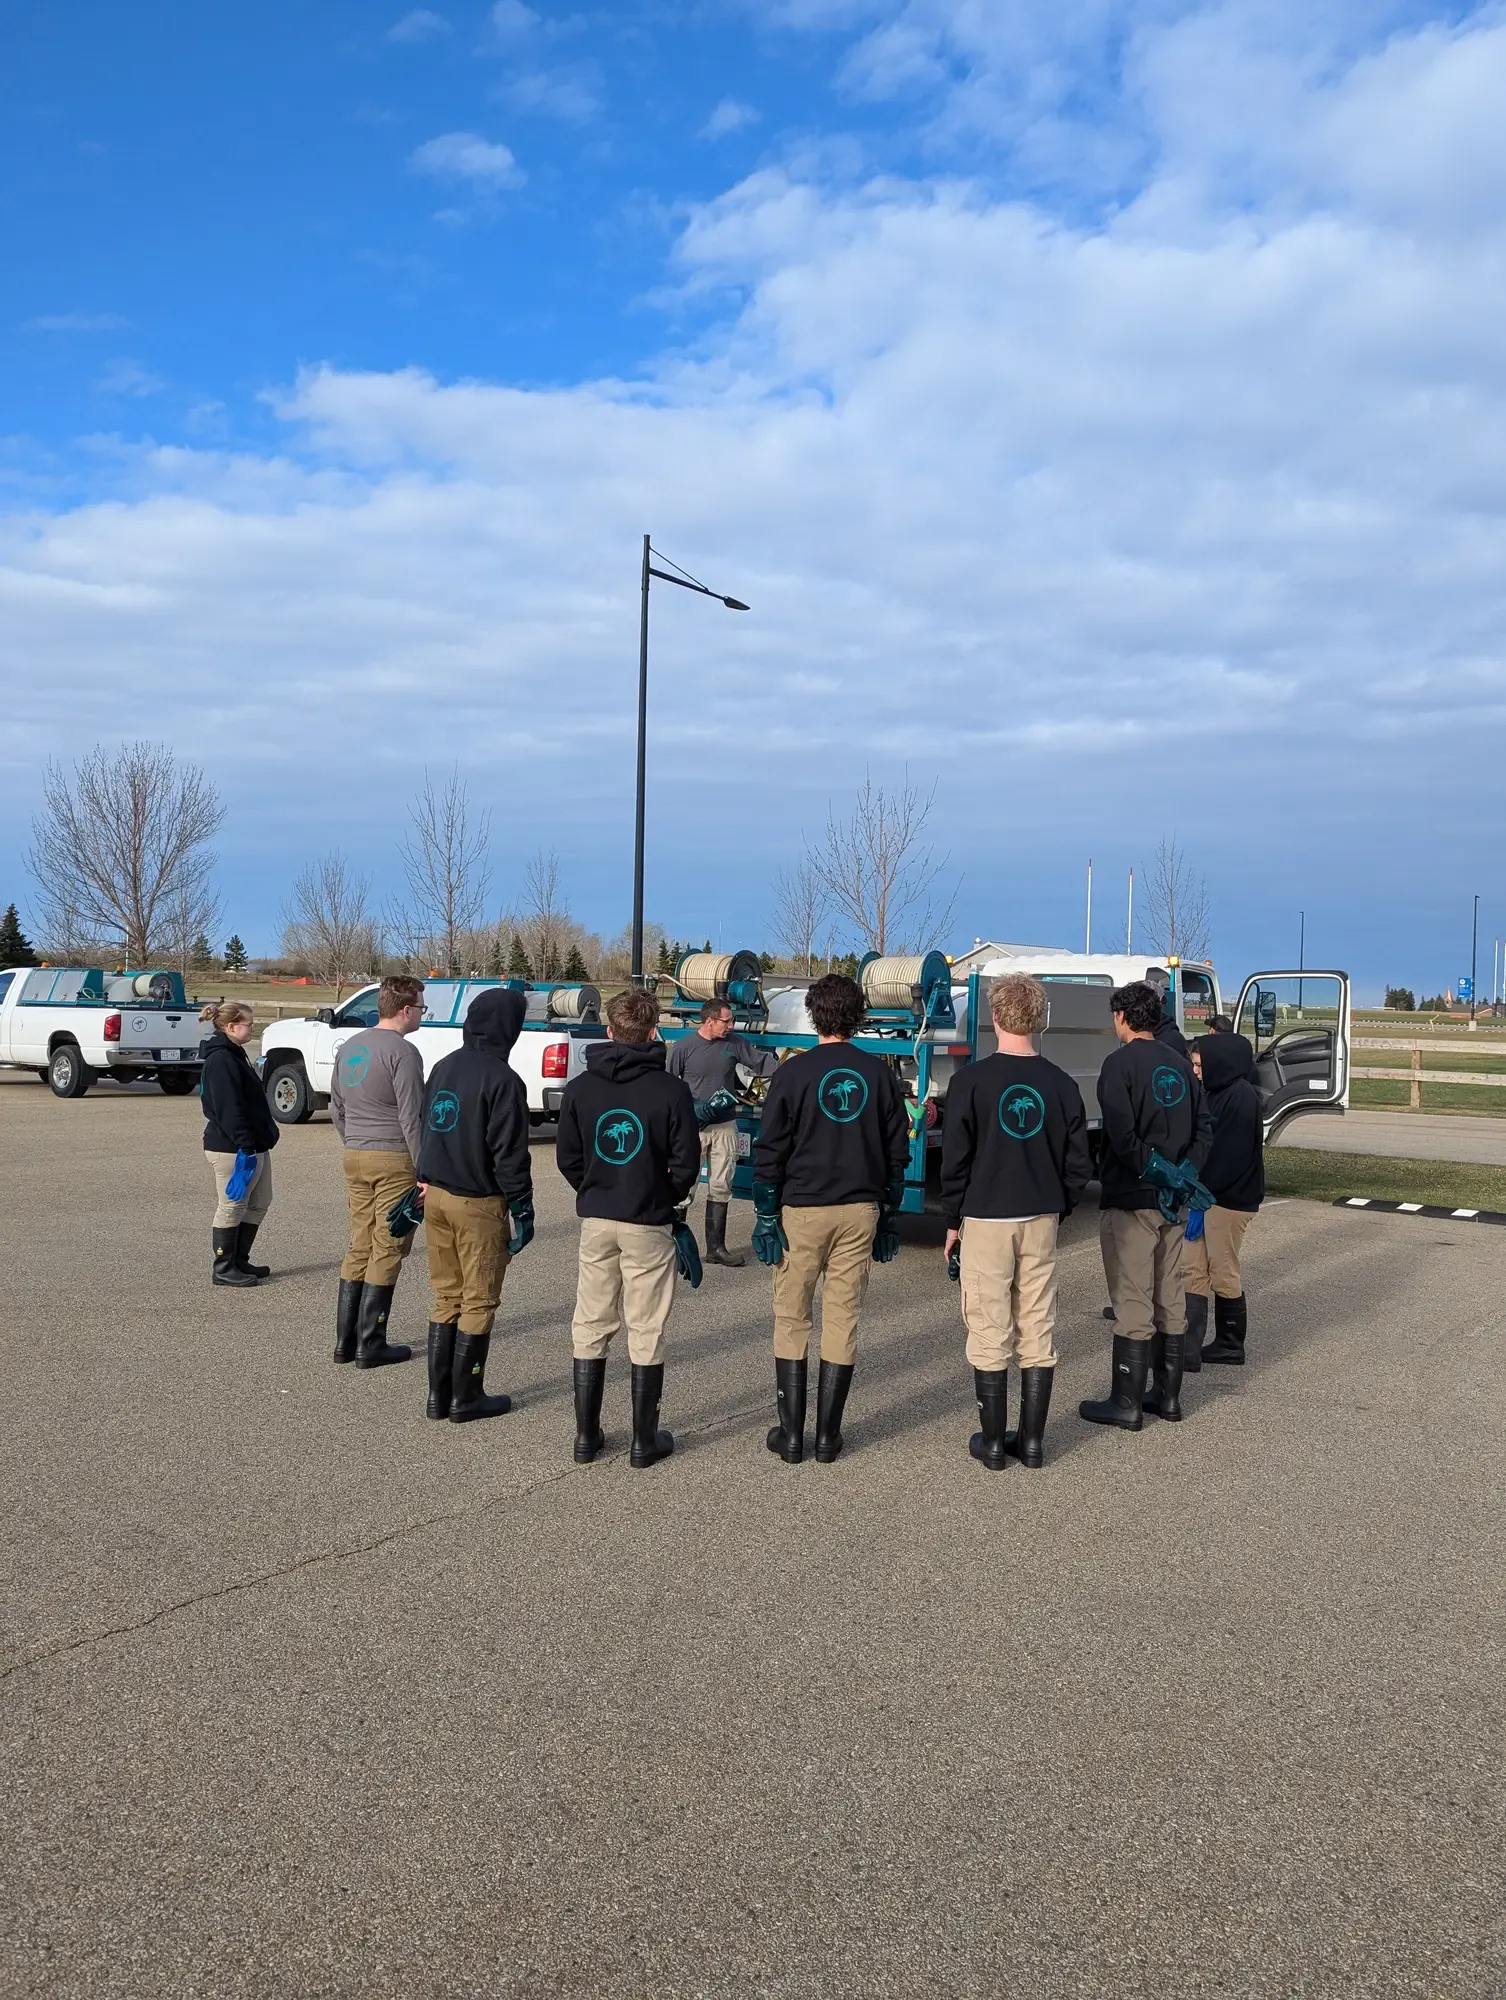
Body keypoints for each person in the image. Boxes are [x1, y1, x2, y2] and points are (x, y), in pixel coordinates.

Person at [751, 972, 910, 1465]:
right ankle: (828, 1436)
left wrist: (764, 1213)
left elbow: (770, 1149)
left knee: (792, 1315)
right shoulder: (880, 1075)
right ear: (859, 1016)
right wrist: (888, 1215)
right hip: (860, 1208)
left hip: (802, 1208)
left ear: (814, 1015)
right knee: (843, 1317)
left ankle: (791, 1434)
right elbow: (897, 1152)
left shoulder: (792, 1074)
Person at [939, 973, 1091, 1471]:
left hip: (985, 1216)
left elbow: (955, 1161)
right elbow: (1077, 1163)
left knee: (988, 1326)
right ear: (1039, 1018)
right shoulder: (1062, 1085)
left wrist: (952, 1221)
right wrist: (1060, 1206)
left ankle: (994, 1444)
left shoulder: (970, 1083)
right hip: (1041, 1216)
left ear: (996, 1017)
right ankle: (1032, 1442)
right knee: (1037, 1324)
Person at [556, 985, 701, 1469]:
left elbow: (569, 1159)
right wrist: (665, 1198)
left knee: (591, 1320)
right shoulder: (671, 1091)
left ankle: (585, 1435)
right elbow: (687, 1163)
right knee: (646, 1323)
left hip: (598, 1215)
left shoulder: (580, 1088)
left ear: (609, 1029)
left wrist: (595, 1186)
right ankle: (643, 1440)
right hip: (647, 1217)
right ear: (653, 1030)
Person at [1081, 980, 1211, 1432]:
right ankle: (1168, 1396)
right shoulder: (1179, 1064)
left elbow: (1121, 1136)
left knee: (1133, 1297)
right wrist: (1183, 1174)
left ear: (1121, 1018)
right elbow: (1204, 1128)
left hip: (1134, 1197)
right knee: (1169, 1291)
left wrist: (1156, 1171)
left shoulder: (1118, 1066)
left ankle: (1127, 1401)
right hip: (1175, 1200)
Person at [416, 987, 534, 1425]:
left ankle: (438, 1394)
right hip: (478, 1201)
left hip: (437, 1195)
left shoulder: (444, 1066)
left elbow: (427, 1123)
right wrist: (523, 1205)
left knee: (446, 1293)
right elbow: (509, 1153)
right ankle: (467, 1396)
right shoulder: (504, 1080)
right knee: (479, 1299)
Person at [329, 975, 426, 1370]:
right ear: (405, 1009)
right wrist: (425, 1170)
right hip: (393, 1156)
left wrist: (353, 1139)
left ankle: (344, 1342)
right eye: (421, 1007)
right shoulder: (403, 1053)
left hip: (355, 1151)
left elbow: (336, 1107)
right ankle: (372, 1342)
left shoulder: (350, 1045)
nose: (421, 1014)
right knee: (388, 1244)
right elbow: (412, 1117)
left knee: (360, 1241)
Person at [666, 997, 779, 1267]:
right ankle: (672, 1246)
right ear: (709, 1020)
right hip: (692, 1128)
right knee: (684, 1186)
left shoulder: (735, 1043)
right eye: (726, 1021)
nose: (731, 1025)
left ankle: (716, 1248)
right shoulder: (683, 1048)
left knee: (721, 1184)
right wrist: (692, 1109)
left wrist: (798, 1071)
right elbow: (668, 1087)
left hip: (725, 1126)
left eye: (731, 1021)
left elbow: (763, 1064)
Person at [1186, 1030, 1264, 1368]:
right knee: (1192, 1267)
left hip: (1228, 1200)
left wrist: (1197, 1189)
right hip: (1207, 1196)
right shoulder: (1216, 1093)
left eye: (1200, 1064)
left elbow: (1227, 1156)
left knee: (1223, 1268)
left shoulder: (1241, 1098)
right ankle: (1188, 1344)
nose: (1197, 1071)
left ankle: (1231, 1342)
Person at [199, 1000, 280, 1288]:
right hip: (231, 1148)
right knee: (232, 1204)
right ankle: (223, 1266)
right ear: (232, 1027)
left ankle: (239, 1259)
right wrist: (245, 1145)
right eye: (249, 1023)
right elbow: (228, 1109)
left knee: (259, 1202)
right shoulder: (221, 1060)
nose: (252, 1028)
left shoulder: (236, 1054)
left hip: (255, 1145)